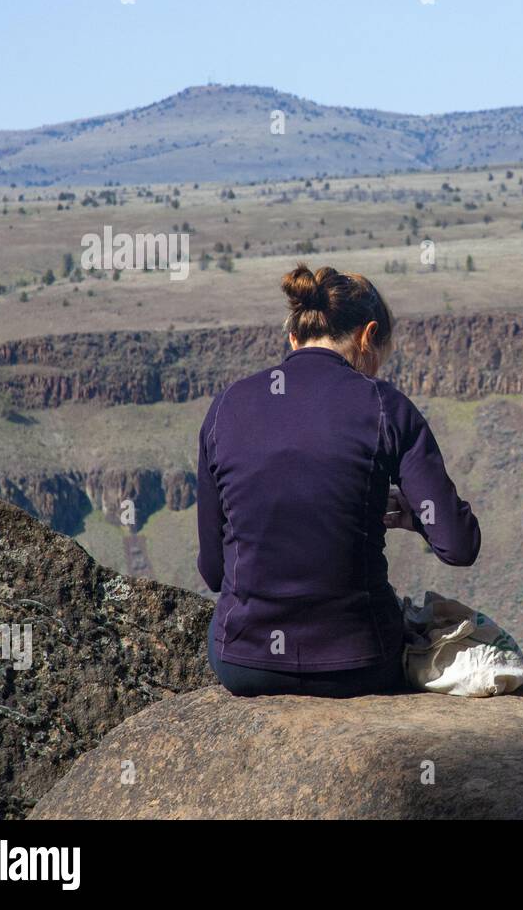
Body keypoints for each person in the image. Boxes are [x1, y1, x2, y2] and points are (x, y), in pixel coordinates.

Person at [196, 263, 480, 697]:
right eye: (380, 355)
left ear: (294, 337)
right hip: (361, 663)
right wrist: (415, 517)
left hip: (243, 664)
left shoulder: (227, 406)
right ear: (368, 336)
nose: (376, 369)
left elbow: (214, 572)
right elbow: (459, 546)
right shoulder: (387, 407)